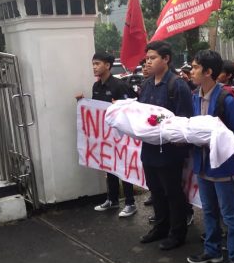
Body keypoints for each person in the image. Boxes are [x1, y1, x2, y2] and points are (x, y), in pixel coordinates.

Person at [185, 50, 234, 263]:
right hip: (202, 165)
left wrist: (214, 139)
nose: (191, 71)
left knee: (229, 214)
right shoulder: (194, 96)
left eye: (194, 67)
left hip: (222, 166)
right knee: (209, 210)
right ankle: (212, 250)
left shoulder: (227, 99)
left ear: (208, 72)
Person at [137, 41, 193, 250]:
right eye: (147, 58)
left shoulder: (177, 85)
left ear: (166, 59)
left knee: (172, 192)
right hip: (149, 149)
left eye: (152, 58)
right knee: (156, 191)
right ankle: (161, 227)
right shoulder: (147, 84)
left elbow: (185, 119)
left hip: (169, 150)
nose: (148, 62)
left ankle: (177, 233)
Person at [75, 52, 137, 218]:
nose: (94, 67)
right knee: (109, 166)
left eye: (97, 63)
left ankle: (130, 202)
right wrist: (83, 103)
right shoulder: (97, 86)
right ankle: (113, 199)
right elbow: (96, 108)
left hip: (119, 134)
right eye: (93, 64)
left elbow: (132, 105)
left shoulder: (119, 85)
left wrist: (120, 106)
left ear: (108, 65)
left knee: (123, 167)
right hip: (105, 135)